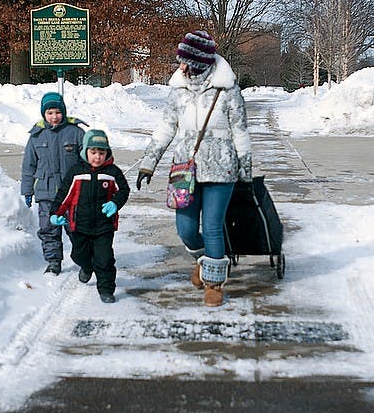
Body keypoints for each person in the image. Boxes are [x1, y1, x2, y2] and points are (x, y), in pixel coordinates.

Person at [136, 30, 252, 307]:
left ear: (197, 61)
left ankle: (214, 284)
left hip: (221, 169)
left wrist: (244, 171)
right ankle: (204, 263)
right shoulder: (178, 91)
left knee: (212, 227)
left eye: (184, 61)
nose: (180, 66)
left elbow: (241, 131)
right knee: (185, 229)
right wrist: (148, 163)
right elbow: (166, 127)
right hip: (184, 169)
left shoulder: (228, 90)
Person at [49, 130, 130, 303]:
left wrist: (115, 203)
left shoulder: (112, 172)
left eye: (102, 153)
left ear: (107, 153)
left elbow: (124, 190)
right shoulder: (76, 172)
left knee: (105, 259)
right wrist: (55, 213)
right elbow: (64, 194)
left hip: (104, 226)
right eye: (93, 152)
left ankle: (106, 289)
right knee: (78, 255)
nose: (97, 157)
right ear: (85, 151)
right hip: (80, 225)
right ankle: (87, 267)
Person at [21, 91, 85, 275]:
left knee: (76, 228)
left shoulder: (76, 132)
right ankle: (53, 261)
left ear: (63, 112)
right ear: (44, 114)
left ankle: (83, 260)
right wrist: (27, 191)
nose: (54, 116)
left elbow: (88, 161)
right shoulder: (36, 136)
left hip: (72, 193)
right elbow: (28, 166)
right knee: (49, 229)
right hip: (46, 192)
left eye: (57, 112)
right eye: (49, 113)